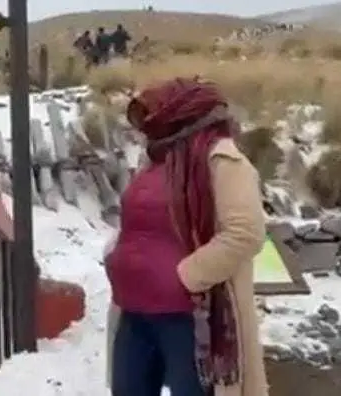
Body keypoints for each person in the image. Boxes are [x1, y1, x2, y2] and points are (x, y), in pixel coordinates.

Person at [104, 78, 268, 396]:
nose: (145, 128)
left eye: (151, 117)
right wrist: (116, 255)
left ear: (177, 114)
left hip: (187, 316)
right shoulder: (156, 159)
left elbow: (245, 233)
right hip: (134, 310)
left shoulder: (221, 159)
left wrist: (184, 277)